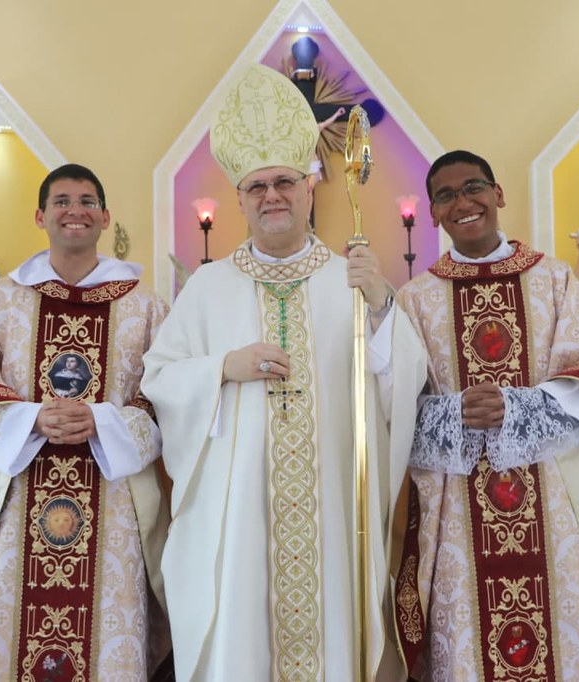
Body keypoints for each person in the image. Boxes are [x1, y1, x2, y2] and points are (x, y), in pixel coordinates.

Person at [141, 64, 427, 681]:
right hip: (237, 510)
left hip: (333, 507)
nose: (272, 196)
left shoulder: (351, 279)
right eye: (257, 186)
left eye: (285, 182)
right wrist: (224, 367)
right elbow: (158, 379)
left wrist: (381, 305)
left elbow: (402, 384)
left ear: (310, 187)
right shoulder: (209, 287)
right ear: (241, 199)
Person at [392, 150, 579, 681]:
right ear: (433, 212)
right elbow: (392, 402)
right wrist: (453, 411)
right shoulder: (415, 299)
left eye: (474, 187)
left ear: (498, 194)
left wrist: (517, 406)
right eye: (446, 195)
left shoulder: (554, 280)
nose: (463, 203)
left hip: (551, 493)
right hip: (456, 511)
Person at [0, 164, 172, 681]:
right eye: (62, 201)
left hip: (113, 507)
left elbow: (166, 400)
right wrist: (34, 418)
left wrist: (102, 422)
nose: (75, 211)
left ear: (105, 217)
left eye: (87, 201)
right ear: (40, 216)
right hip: (18, 501)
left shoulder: (145, 307)